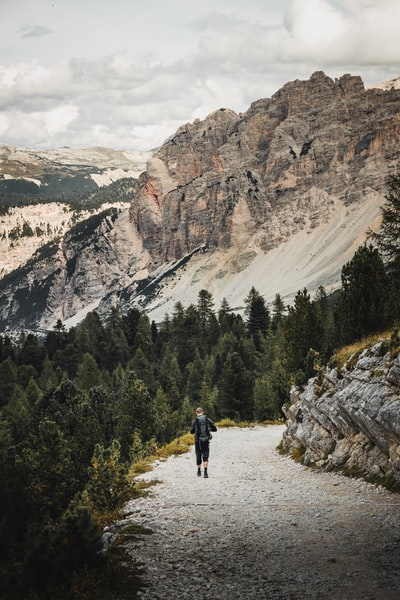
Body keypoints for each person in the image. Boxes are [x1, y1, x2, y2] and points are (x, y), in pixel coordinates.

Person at [190, 407, 217, 478]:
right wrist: (208, 430)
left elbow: (191, 431)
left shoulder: (195, 421)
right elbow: (215, 429)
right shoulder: (207, 419)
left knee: (198, 455)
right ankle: (205, 472)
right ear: (203, 412)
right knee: (205, 456)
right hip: (205, 440)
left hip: (197, 441)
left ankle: (199, 471)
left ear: (196, 413)